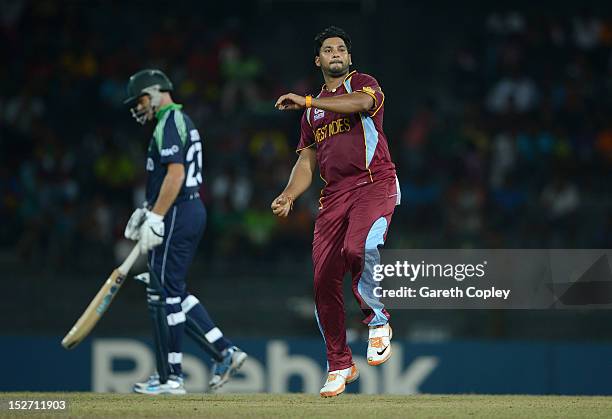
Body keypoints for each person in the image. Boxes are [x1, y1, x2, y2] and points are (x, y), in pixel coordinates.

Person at [272, 27, 401, 397]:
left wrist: (310, 101)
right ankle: (340, 363)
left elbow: (361, 105)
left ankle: (377, 322)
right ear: (318, 60)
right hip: (334, 197)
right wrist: (290, 193)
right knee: (323, 280)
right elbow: (307, 163)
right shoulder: (310, 116)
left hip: (374, 183)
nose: (335, 54)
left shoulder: (363, 83)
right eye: (328, 50)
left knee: (357, 249)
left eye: (341, 49)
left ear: (349, 57)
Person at [123, 69, 247, 394]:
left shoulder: (170, 122)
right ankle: (222, 352)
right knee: (166, 292)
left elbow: (175, 176)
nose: (138, 106)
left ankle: (171, 377)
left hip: (180, 211)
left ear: (154, 91)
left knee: (167, 295)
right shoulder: (173, 122)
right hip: (180, 212)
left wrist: (156, 217)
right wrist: (149, 212)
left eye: (140, 99)